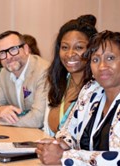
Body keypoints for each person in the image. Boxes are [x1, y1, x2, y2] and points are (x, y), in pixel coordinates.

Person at [36, 30, 120, 165]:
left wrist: (66, 157)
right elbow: (68, 131)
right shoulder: (91, 90)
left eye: (110, 58)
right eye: (95, 59)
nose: (102, 66)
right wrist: (59, 144)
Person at [0, 30, 49, 128]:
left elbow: (37, 120)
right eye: (2, 53)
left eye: (13, 49)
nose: (9, 57)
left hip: (43, 135)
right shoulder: (4, 73)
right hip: (21, 132)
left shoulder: (43, 71)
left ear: (26, 49)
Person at [43, 14, 97, 136]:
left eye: (79, 47)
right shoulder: (58, 82)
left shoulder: (97, 90)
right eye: (65, 47)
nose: (70, 54)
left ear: (92, 49)